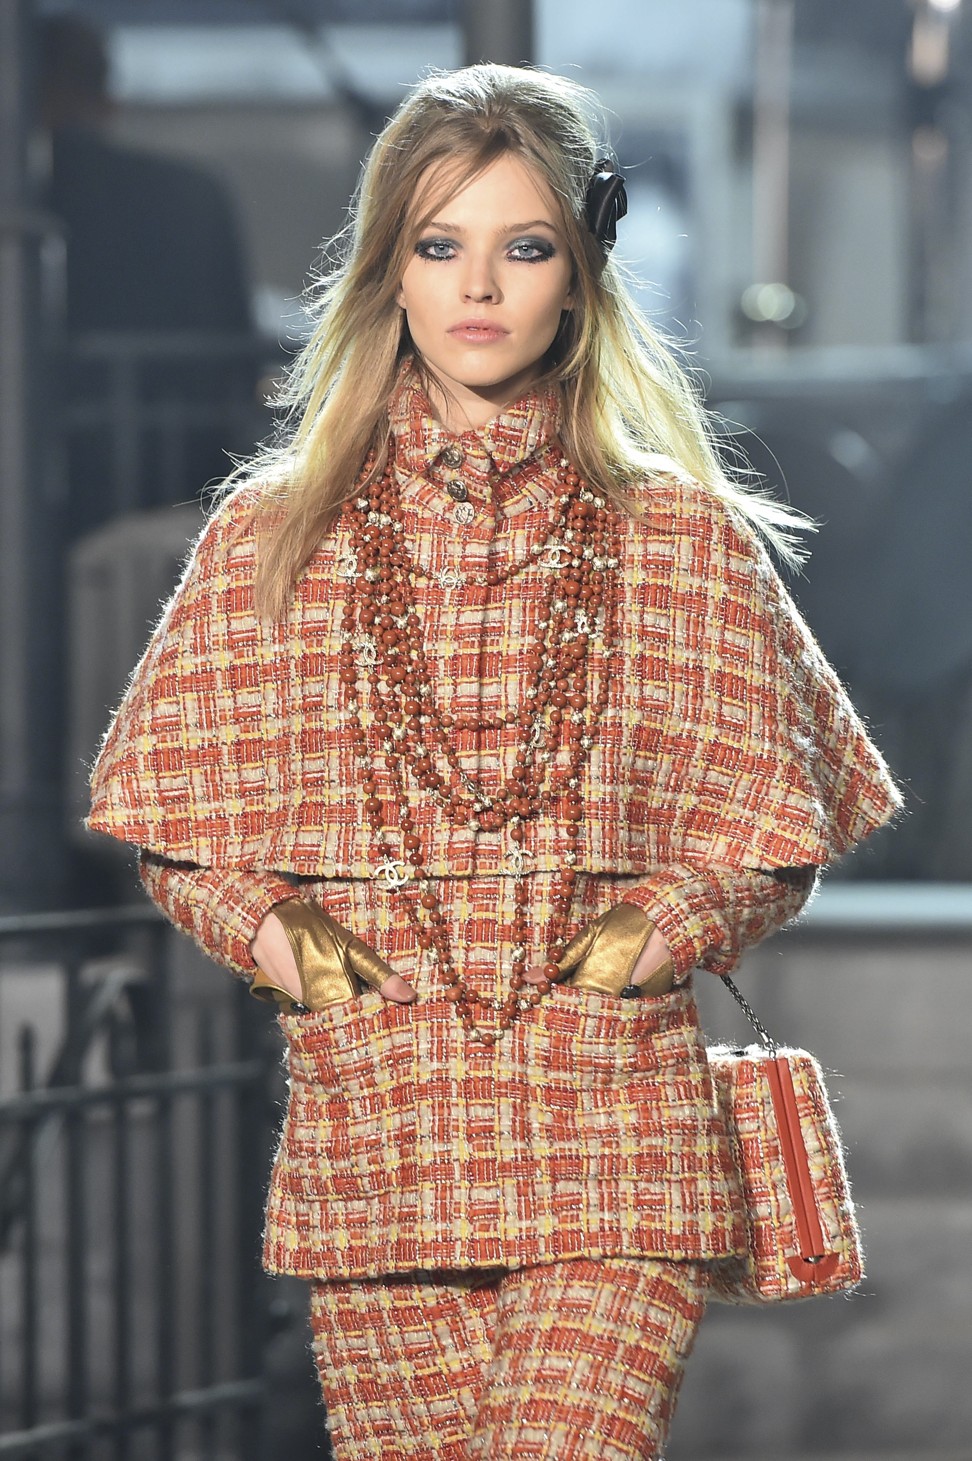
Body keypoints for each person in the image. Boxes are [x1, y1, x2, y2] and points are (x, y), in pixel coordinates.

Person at [88, 65, 900, 1461]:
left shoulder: (678, 539)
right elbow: (178, 828)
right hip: (381, 1120)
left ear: (578, 279)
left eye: (524, 247)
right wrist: (296, 947)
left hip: (612, 1124)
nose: (480, 287)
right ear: (387, 273)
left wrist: (650, 934)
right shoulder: (276, 537)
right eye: (440, 244)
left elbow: (774, 827)